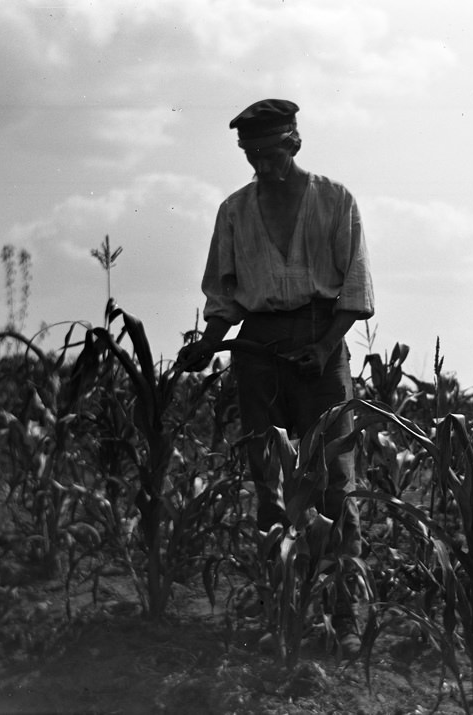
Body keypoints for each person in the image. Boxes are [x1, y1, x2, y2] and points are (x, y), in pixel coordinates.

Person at [178, 98, 374, 655]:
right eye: (251, 155)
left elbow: (355, 288)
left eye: (271, 152)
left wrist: (324, 345)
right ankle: (282, 612)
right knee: (269, 484)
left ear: (295, 143)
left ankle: (346, 616)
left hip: (321, 349)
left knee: (335, 482)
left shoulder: (336, 200)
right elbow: (224, 294)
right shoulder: (234, 212)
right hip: (259, 350)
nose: (263, 165)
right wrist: (207, 346)